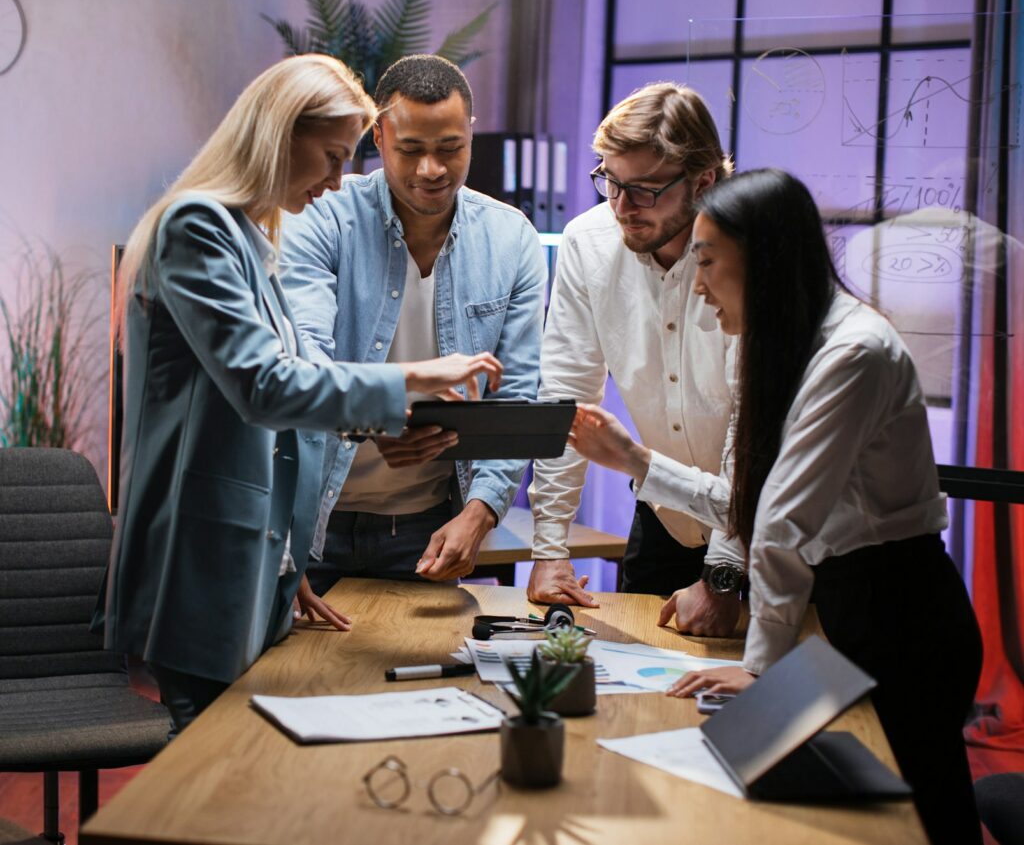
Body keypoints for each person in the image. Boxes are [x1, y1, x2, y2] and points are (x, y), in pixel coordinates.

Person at [570, 168, 983, 845]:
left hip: (903, 614)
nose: (697, 286)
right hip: (846, 606)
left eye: (707, 262)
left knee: (916, 819)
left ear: (762, 260)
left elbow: (781, 523)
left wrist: (761, 668)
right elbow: (746, 504)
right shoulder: (771, 345)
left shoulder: (854, 352)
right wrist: (636, 461)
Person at [95, 54, 502, 735]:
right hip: (198, 561)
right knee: (210, 776)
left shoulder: (250, 238)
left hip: (245, 559)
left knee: (236, 766)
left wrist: (283, 558)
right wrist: (414, 377)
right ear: (280, 135)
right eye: (333, 157)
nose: (338, 181)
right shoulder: (196, 228)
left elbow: (280, 422)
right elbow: (265, 387)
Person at [281, 54, 545, 594]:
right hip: (310, 520)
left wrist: (482, 511)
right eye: (410, 150)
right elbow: (305, 361)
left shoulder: (511, 238)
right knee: (296, 677)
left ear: (470, 135)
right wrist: (379, 421)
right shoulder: (323, 215)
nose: (432, 169)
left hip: (429, 526)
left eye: (450, 148)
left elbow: (515, 394)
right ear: (377, 137)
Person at [528, 82, 739, 621]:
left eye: (644, 190)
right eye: (610, 182)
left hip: (754, 532)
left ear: (704, 181)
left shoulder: (746, 252)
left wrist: (723, 573)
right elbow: (566, 396)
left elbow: (753, 434)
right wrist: (550, 547)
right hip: (664, 515)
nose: (622, 207)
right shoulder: (588, 241)